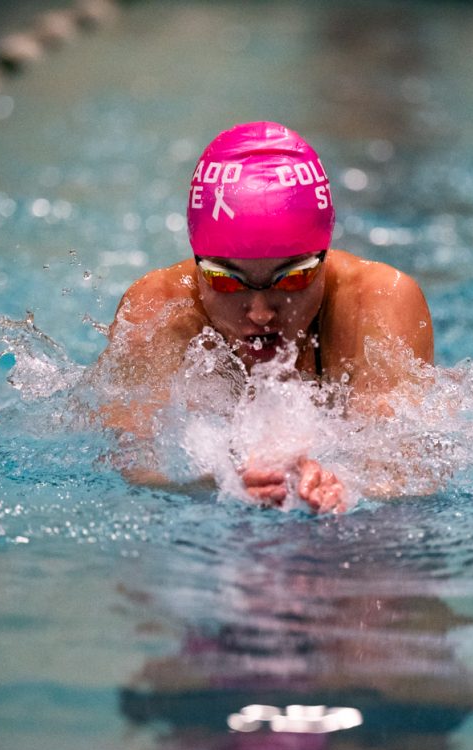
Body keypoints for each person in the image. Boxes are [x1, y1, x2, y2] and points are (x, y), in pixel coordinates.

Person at [91, 121, 433, 513]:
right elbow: (135, 469)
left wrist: (348, 486)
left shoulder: (377, 302)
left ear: (324, 258)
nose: (260, 313)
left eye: (292, 279)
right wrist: (219, 485)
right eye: (226, 281)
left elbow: (405, 469)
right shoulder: (160, 308)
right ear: (200, 265)